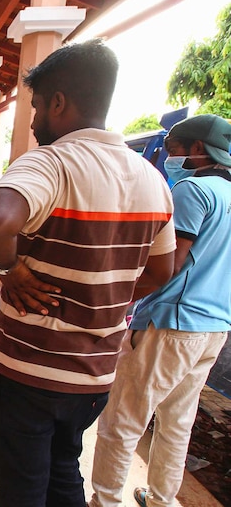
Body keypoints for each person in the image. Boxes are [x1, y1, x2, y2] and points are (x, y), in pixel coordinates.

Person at [0, 39, 177, 507]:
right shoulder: (152, 180)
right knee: (63, 475)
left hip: (27, 374)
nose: (35, 120)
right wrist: (103, 296)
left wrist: (13, 269)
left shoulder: (53, 163)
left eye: (38, 106)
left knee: (21, 490)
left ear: (59, 102)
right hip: (94, 378)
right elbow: (163, 271)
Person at [89, 114, 231, 507]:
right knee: (177, 421)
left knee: (123, 420)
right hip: (216, 327)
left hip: (173, 322)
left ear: (198, 150)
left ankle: (105, 501)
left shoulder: (193, 190)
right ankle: (162, 499)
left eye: (173, 150)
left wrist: (117, 301)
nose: (170, 158)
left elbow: (168, 265)